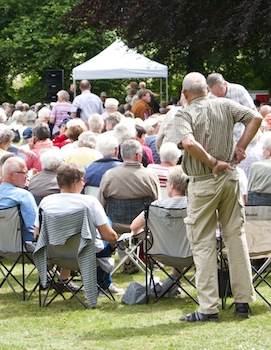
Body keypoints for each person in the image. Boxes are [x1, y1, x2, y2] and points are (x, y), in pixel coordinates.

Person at [166, 71, 261, 322]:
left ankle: (209, 308)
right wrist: (240, 147)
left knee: (203, 243)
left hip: (204, 182)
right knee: (236, 238)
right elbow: (256, 117)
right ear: (207, 90)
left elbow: (188, 143)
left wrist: (211, 162)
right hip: (230, 179)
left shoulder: (184, 114)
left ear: (185, 94)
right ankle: (243, 302)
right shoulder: (225, 104)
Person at [38, 164, 119, 292]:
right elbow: (109, 236)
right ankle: (103, 285)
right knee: (106, 230)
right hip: (84, 254)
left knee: (69, 237)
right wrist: (115, 242)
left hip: (53, 254)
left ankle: (63, 280)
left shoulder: (45, 202)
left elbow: (36, 234)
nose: (83, 183)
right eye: (82, 180)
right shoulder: (89, 202)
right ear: (75, 182)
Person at [129, 165, 190, 297]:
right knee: (180, 240)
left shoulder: (155, 207)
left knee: (174, 241)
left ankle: (173, 283)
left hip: (160, 254)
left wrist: (148, 238)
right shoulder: (195, 206)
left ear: (172, 185)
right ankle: (174, 282)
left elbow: (134, 227)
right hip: (191, 255)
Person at [98, 138, 160, 232]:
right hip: (142, 229)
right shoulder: (150, 176)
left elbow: (100, 205)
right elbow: (157, 204)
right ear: (138, 155)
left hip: (115, 229)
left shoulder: (109, 175)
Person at [0, 156, 38, 250]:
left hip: (0, 248)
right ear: (12, 175)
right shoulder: (23, 196)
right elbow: (34, 226)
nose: (27, 176)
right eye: (24, 172)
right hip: (25, 247)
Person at [206, 72, 256, 143]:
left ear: (225, 84)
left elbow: (253, 112)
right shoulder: (210, 97)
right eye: (215, 94)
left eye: (219, 92)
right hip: (221, 140)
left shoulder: (239, 90)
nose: (218, 96)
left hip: (241, 137)